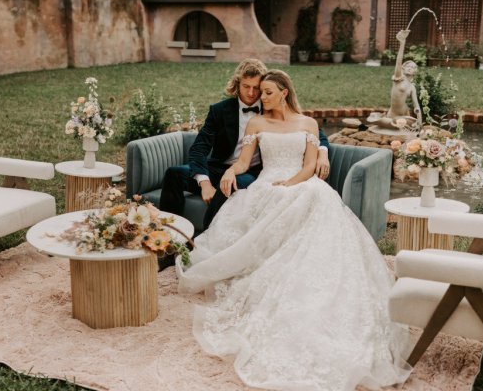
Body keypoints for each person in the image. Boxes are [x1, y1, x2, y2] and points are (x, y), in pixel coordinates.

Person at [176, 69, 412, 390]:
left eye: (268, 92)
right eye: (260, 93)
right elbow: (245, 162)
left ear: (284, 92)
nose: (262, 98)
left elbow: (308, 166)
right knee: (273, 201)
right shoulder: (257, 123)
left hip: (301, 184)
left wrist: (289, 185)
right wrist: (231, 172)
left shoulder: (309, 124)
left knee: (310, 200)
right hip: (267, 183)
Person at [159, 58, 330, 233]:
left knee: (232, 184)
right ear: (237, 84)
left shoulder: (272, 105)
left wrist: (322, 154)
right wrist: (205, 183)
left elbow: (314, 132)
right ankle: (167, 235)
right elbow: (199, 148)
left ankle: (205, 235)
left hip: (252, 173)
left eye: (256, 88)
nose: (251, 93)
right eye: (246, 86)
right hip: (218, 167)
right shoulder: (220, 111)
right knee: (174, 174)